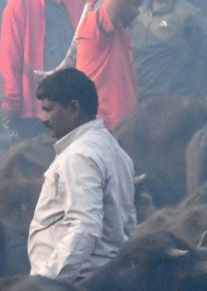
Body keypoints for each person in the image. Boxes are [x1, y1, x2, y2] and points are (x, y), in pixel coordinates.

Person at [28, 68, 136, 280]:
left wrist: (47, 282)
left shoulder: (79, 157)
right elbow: (128, 224)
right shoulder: (114, 150)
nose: (43, 118)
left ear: (74, 108)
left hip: (75, 281)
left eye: (49, 110)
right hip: (104, 273)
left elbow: (84, 227)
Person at [0, 0, 83, 141]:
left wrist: (11, 103)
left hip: (40, 110)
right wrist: (11, 100)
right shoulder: (20, 5)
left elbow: (10, 57)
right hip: (67, 108)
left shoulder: (19, 5)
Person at [131, 0, 207, 99]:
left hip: (166, 102)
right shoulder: (137, 9)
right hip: (132, 96)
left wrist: (193, 91)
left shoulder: (187, 14)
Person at [74, 0, 141, 130]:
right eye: (134, 5)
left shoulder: (120, 31)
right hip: (105, 127)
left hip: (122, 127)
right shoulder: (95, 25)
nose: (138, 12)